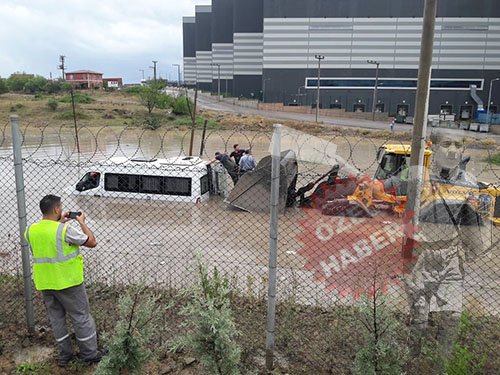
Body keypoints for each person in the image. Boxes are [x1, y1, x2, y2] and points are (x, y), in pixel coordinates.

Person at [404, 129, 491, 363]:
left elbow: (472, 222)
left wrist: (475, 247)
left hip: (450, 256)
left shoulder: (469, 184)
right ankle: (411, 359)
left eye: (458, 145)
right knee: (419, 317)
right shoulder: (417, 177)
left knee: (452, 316)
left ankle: (441, 365)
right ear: (432, 147)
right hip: (421, 256)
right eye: (446, 144)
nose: (453, 150)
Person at [24, 195, 104, 367]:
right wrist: (82, 222)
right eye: (60, 207)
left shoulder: (30, 230)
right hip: (68, 282)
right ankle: (89, 354)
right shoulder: (64, 231)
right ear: (56, 210)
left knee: (57, 319)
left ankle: (65, 355)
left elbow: (49, 238)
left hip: (45, 283)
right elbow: (91, 242)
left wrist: (60, 222)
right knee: (81, 317)